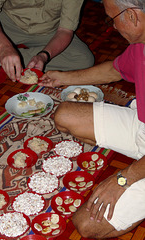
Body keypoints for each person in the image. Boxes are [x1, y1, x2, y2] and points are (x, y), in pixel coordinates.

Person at [39, 0, 145, 238]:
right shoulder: (141, 43)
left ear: (132, 16)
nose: (113, 27)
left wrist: (123, 179)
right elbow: (114, 70)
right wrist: (63, 78)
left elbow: (121, 180)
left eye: (111, 19)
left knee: (87, 224)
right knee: (66, 114)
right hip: (142, 127)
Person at [0, 0, 94, 82]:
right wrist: (4, 47)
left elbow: (65, 31)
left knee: (83, 60)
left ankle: (3, 58)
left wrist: (44, 56)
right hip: (7, 22)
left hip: (49, 30)